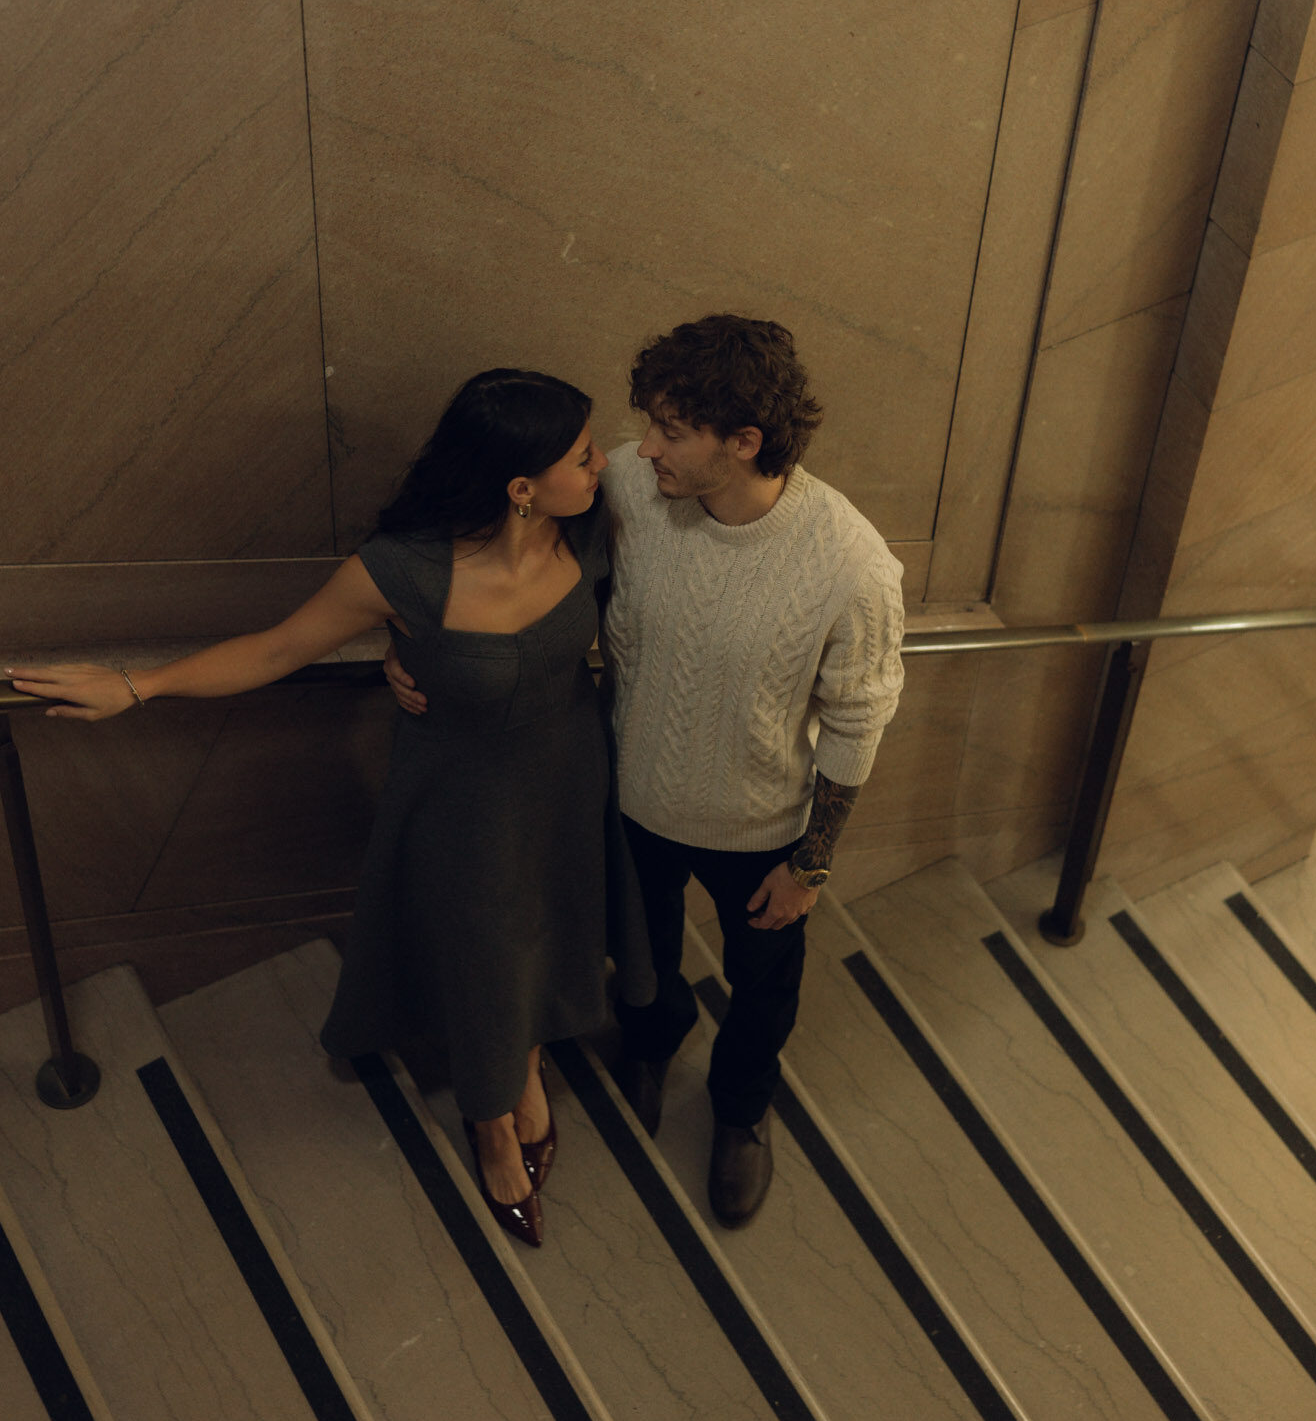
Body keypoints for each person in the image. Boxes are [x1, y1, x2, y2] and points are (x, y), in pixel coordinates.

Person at [7, 368, 653, 1251]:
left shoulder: (592, 527)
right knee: (487, 956)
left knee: (549, 932)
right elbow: (275, 649)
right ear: (520, 487)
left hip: (569, 777)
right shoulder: (402, 570)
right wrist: (138, 683)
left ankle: (525, 1067)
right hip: (460, 806)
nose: (603, 461)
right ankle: (492, 1122)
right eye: (582, 455)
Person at [388, 316, 905, 1229]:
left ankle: (742, 1113)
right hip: (627, 800)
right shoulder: (629, 483)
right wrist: (406, 648)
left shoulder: (852, 566)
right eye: (649, 424)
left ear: (742, 443)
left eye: (670, 430)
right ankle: (651, 1043)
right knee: (646, 957)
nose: (643, 446)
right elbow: (481, 541)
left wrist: (811, 864)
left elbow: (857, 722)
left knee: (763, 988)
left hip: (763, 830)